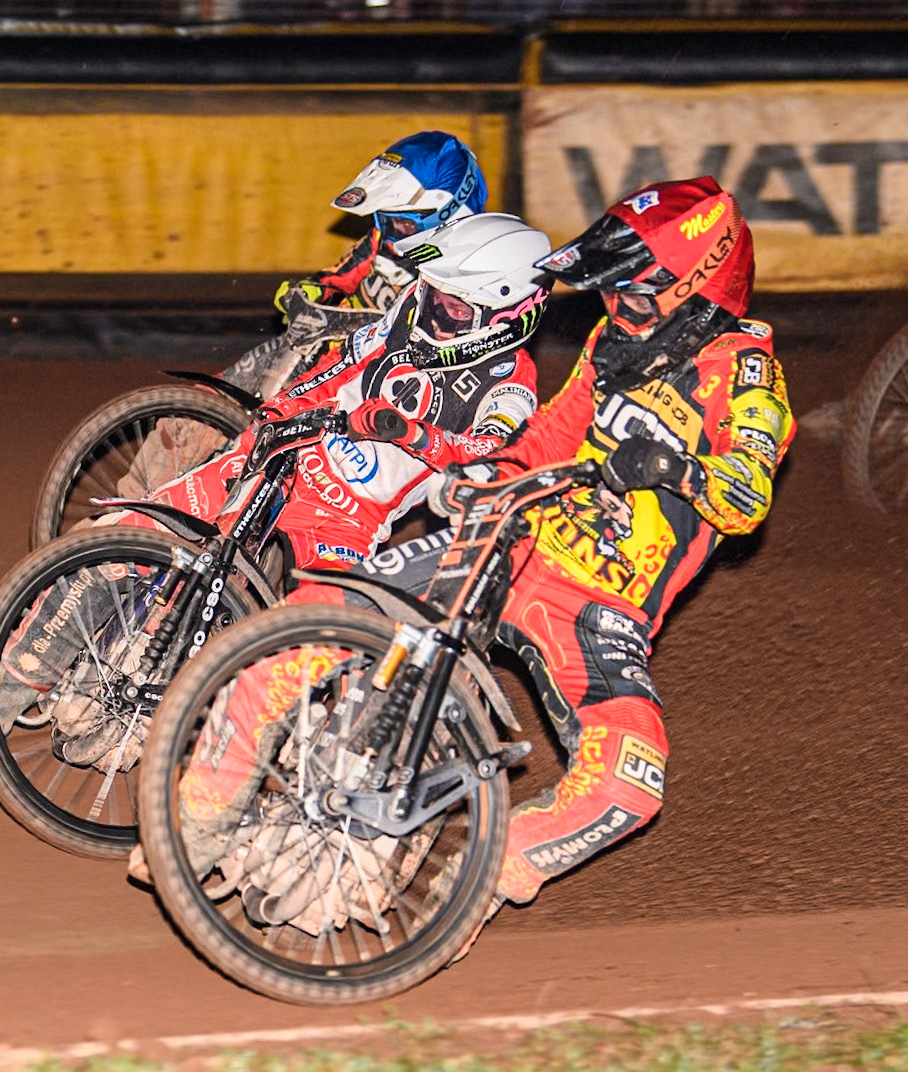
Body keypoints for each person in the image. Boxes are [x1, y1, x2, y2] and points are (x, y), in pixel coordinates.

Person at [170, 177, 796, 945]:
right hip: (512, 543)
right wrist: (489, 472)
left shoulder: (748, 377)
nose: (614, 312)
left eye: (633, 296)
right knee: (305, 625)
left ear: (697, 290)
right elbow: (552, 434)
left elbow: (747, 496)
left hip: (600, 612)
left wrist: (675, 469)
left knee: (631, 783)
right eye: (613, 296)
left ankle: (474, 879)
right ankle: (193, 825)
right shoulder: (612, 344)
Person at [0, 212, 551, 739]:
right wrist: (281, 412)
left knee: (304, 657)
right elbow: (336, 367)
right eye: (433, 292)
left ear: (507, 315)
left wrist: (414, 435)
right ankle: (14, 684)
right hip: (287, 457)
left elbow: (490, 458)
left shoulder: (509, 387)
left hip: (349, 522)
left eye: (453, 308)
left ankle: (195, 745)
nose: (433, 310)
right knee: (123, 537)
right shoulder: (410, 311)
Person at [220, 130, 490, 400]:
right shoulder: (382, 238)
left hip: (373, 374)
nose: (394, 231)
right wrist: (310, 291)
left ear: (446, 214)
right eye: (387, 220)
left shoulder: (462, 275)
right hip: (322, 344)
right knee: (226, 389)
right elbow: (341, 275)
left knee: (286, 424)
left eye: (405, 223)